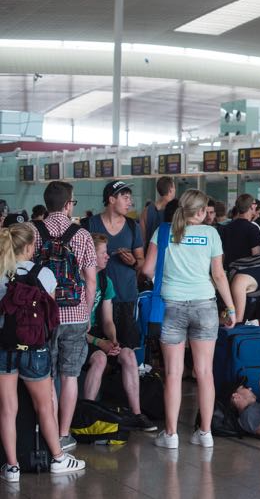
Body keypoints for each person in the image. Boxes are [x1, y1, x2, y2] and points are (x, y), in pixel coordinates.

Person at [142, 189, 237, 449]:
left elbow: (148, 269)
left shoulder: (162, 232)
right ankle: (205, 433)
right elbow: (218, 275)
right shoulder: (211, 234)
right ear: (199, 212)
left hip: (170, 306)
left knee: (173, 372)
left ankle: (171, 435)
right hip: (205, 306)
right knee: (205, 372)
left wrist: (168, 283)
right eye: (206, 210)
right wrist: (230, 307)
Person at [0, 223, 86, 482]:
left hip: (4, 348)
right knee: (45, 407)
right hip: (36, 349)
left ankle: (12, 467)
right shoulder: (44, 273)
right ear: (29, 247)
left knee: (7, 409)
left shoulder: (2, 274)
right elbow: (50, 315)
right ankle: (58, 458)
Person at [34, 181, 97, 452]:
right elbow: (91, 279)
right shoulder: (82, 235)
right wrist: (87, 310)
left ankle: (45, 431)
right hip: (75, 314)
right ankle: (62, 434)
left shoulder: (33, 232)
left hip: (42, 315)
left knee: (46, 376)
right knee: (69, 376)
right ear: (69, 203)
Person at [81, 233, 156, 432]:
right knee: (99, 359)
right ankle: (87, 416)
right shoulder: (77, 282)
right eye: (103, 253)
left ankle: (136, 413)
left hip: (98, 334)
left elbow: (107, 320)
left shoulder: (105, 281)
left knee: (129, 354)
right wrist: (99, 343)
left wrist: (113, 341)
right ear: (89, 255)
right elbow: (76, 328)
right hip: (79, 336)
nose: (108, 257)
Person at [86, 180, 145, 350]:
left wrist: (133, 262)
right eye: (125, 198)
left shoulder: (133, 227)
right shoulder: (89, 225)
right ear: (112, 200)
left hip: (125, 296)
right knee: (97, 352)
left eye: (130, 198)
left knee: (126, 349)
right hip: (95, 299)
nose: (130, 202)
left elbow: (141, 261)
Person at [221, 194, 260, 269]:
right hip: (245, 271)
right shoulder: (253, 229)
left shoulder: (226, 228)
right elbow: (256, 256)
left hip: (229, 269)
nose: (256, 206)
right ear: (251, 206)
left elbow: (223, 253)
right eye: (255, 204)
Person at [140, 176, 175, 248]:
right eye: (174, 187)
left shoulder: (145, 211)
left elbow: (142, 239)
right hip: (169, 254)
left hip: (149, 253)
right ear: (171, 190)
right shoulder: (176, 210)